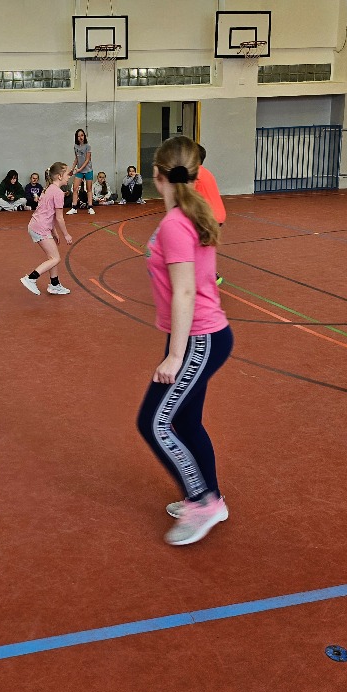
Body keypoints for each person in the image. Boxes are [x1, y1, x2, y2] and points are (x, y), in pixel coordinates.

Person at [136, 136, 233, 546]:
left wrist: (176, 355)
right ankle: (212, 498)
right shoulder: (190, 214)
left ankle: (202, 501)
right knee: (187, 421)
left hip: (198, 339)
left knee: (153, 422)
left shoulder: (177, 223)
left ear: (157, 175)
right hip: (199, 336)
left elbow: (186, 291)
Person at [20, 162, 73, 296]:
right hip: (41, 228)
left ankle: (54, 284)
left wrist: (54, 232)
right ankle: (31, 278)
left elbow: (48, 213)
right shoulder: (58, 193)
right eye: (68, 174)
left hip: (37, 225)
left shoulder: (48, 189)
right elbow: (59, 218)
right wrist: (66, 234)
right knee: (55, 258)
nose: (69, 176)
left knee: (52, 256)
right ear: (60, 176)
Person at [194, 145, 227, 286]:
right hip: (217, 215)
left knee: (194, 247)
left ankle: (210, 277)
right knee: (202, 247)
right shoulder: (206, 172)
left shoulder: (194, 174)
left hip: (209, 217)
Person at [67, 128, 95, 215]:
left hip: (88, 170)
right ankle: (74, 207)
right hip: (79, 171)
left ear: (84, 136)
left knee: (89, 189)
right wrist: (72, 169)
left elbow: (87, 159)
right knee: (75, 188)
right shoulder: (75, 146)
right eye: (78, 136)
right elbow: (76, 158)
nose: (80, 137)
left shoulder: (88, 146)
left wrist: (80, 169)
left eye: (82, 135)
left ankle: (90, 207)